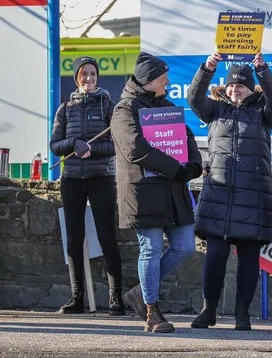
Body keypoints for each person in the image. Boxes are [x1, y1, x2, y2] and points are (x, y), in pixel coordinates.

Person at [187, 52, 272, 331]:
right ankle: (209, 310)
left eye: (241, 85)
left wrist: (263, 69)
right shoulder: (215, 110)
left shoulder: (263, 112)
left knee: (249, 259)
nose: (235, 89)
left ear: (250, 87)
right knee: (215, 255)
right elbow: (194, 99)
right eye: (231, 85)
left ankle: (242, 313)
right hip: (219, 197)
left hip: (252, 197)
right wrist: (207, 68)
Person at [111, 52, 202, 333]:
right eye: (164, 77)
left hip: (172, 189)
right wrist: (175, 168)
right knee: (149, 249)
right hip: (143, 191)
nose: (168, 82)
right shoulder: (123, 111)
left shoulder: (166, 106)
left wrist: (193, 165)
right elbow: (135, 149)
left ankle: (141, 290)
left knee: (185, 245)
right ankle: (152, 311)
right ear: (150, 80)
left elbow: (186, 137)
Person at [50, 56, 124, 316]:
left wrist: (91, 148)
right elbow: (55, 145)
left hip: (101, 179)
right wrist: (73, 144)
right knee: (74, 239)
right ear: (77, 78)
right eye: (84, 74)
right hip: (72, 180)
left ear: (98, 77)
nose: (89, 79)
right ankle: (77, 297)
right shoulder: (65, 108)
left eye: (93, 74)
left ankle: (116, 298)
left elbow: (117, 145)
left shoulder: (109, 106)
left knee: (107, 237)